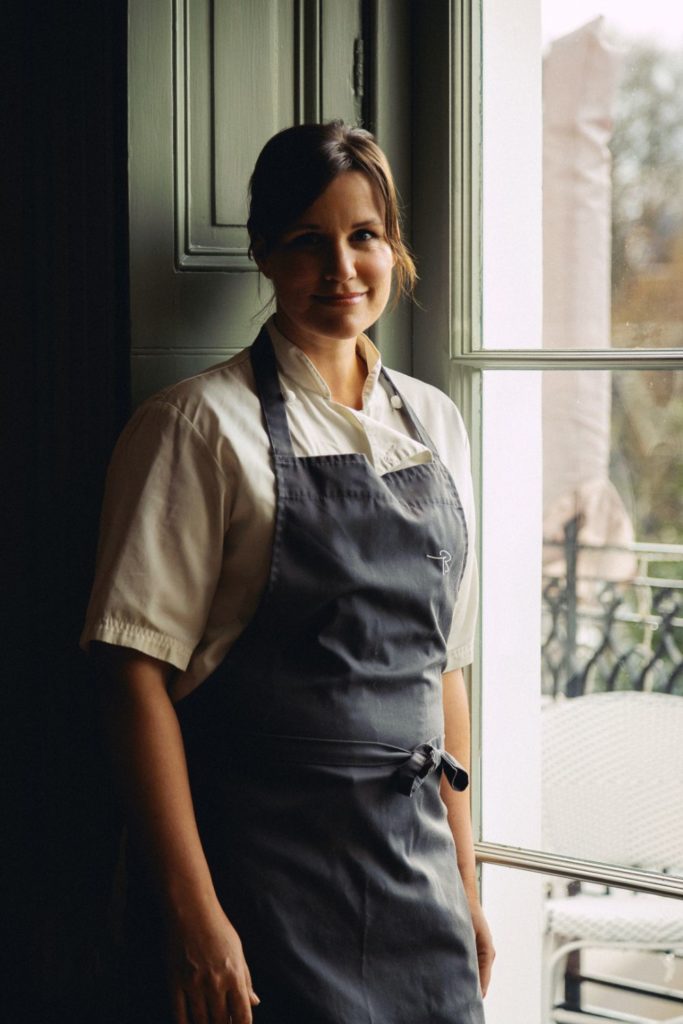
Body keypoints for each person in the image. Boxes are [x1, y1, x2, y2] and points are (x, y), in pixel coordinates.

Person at [82, 121, 495, 1024]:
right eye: (307, 240)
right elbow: (130, 678)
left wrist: (463, 882)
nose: (341, 268)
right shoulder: (196, 427)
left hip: (414, 879)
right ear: (264, 253)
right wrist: (197, 920)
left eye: (364, 236)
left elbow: (445, 676)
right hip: (261, 886)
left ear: (395, 250)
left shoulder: (437, 423)